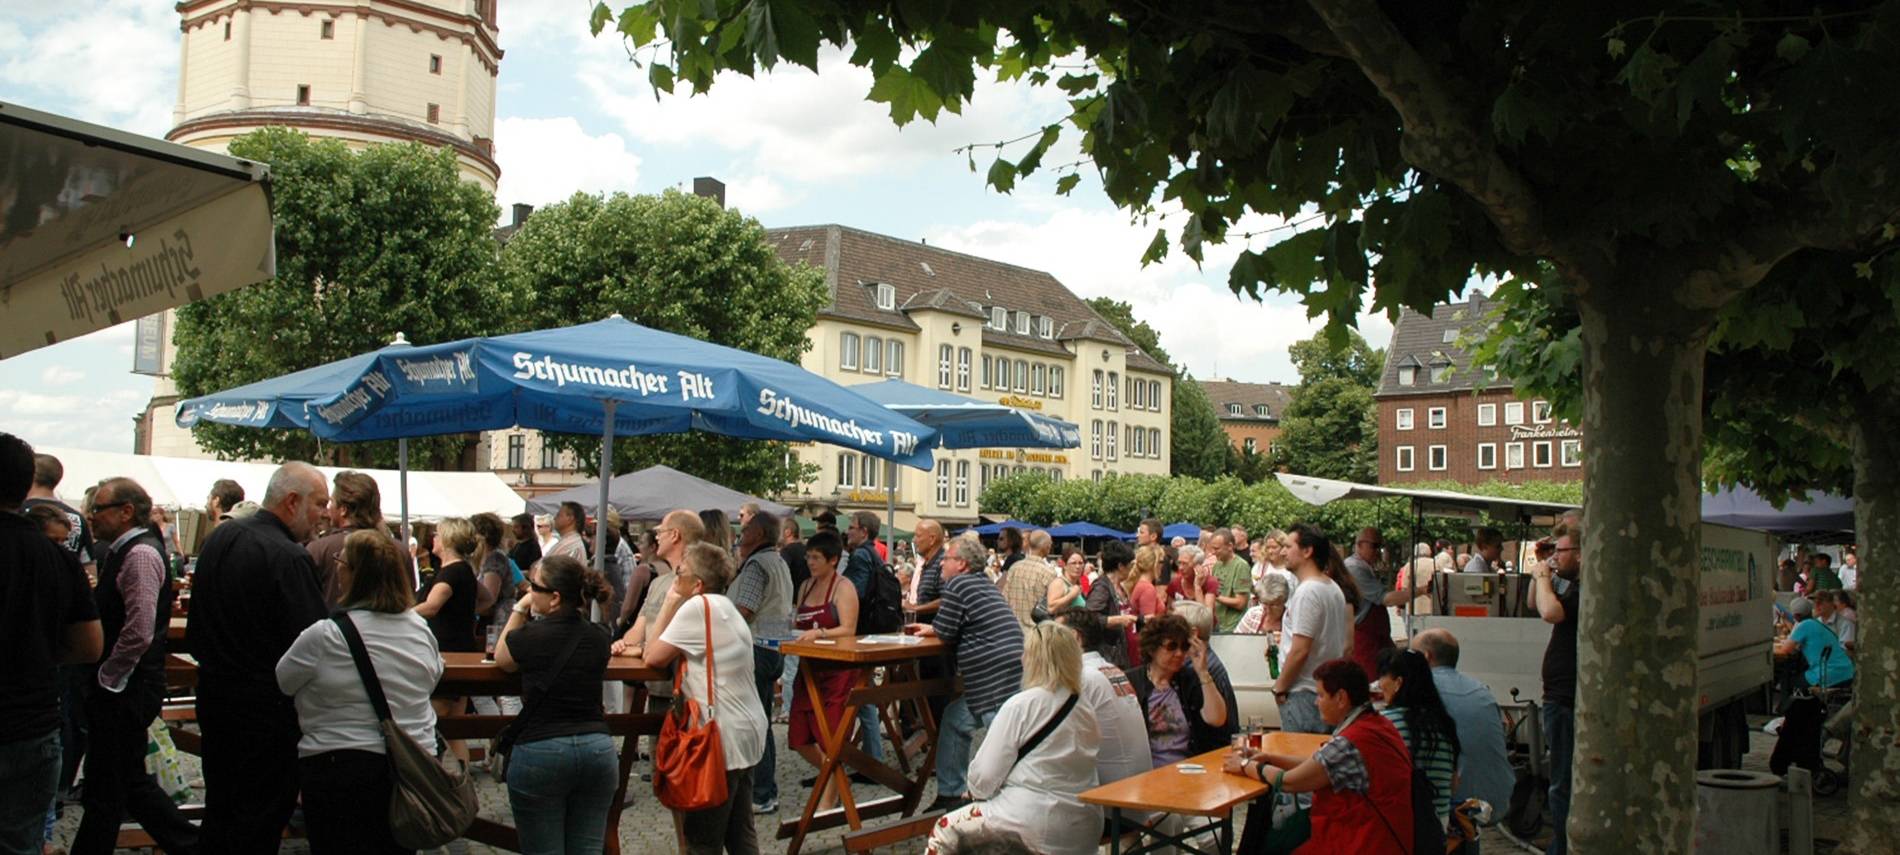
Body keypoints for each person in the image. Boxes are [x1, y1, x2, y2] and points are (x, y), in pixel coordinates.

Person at [188, 461, 331, 852]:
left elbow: (197, 627)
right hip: (266, 716)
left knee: (221, 813)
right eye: (320, 503)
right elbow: (314, 643)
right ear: (291, 502)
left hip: (217, 699)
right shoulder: (288, 556)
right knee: (258, 822)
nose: (326, 514)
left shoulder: (221, 537)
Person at [276, 530, 441, 854]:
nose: (337, 567)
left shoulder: (325, 636)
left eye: (342, 562)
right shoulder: (419, 629)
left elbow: (284, 680)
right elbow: (432, 677)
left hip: (339, 764)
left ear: (354, 574)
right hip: (409, 764)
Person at [71, 477, 200, 855]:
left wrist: (108, 676)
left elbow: (140, 629)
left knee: (116, 783)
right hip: (126, 685)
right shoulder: (125, 550)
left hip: (127, 687)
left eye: (98, 509)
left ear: (126, 511)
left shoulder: (140, 554)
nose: (91, 517)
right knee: (116, 783)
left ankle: (191, 844)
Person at [1, 435, 102, 855]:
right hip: (33, 724)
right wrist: (39, 650)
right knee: (23, 843)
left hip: (29, 723)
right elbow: (90, 646)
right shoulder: (56, 557)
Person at [925, 622, 1102, 855]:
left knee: (944, 829)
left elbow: (982, 779)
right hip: (1085, 825)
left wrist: (975, 790)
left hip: (1031, 820)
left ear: (1033, 659)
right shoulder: (1085, 706)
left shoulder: (1022, 705)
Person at [645, 543, 769, 854]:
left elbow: (653, 655)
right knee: (740, 834)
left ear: (697, 584)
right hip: (746, 731)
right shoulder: (727, 607)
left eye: (681, 574)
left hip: (719, 737)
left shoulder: (697, 608)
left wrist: (670, 602)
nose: (675, 578)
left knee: (702, 841)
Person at [495, 554, 617, 854]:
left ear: (555, 598)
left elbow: (501, 659)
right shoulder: (600, 636)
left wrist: (519, 608)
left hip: (541, 748)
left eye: (535, 587)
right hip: (597, 748)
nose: (529, 591)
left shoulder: (529, 636)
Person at [1227, 659, 1410, 855]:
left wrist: (1245, 765)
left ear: (1341, 698)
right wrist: (1270, 758)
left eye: (1321, 695)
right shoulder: (1378, 725)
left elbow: (1288, 782)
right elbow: (1318, 766)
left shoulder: (1348, 743)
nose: (1316, 702)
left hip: (1362, 842)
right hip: (1391, 837)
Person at [908, 536, 1026, 812]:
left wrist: (935, 629)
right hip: (1009, 662)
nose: (941, 566)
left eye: (946, 559)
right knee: (955, 719)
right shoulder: (982, 582)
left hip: (991, 671)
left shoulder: (959, 584)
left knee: (1003, 736)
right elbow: (956, 623)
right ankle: (950, 792)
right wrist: (936, 629)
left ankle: (1013, 799)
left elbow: (947, 630)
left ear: (960, 564)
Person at [25, 452, 99, 808]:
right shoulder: (77, 521)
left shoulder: (20, 513)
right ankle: (60, 787)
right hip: (62, 641)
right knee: (67, 713)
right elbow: (91, 572)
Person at [779, 529, 860, 812]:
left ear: (833, 560)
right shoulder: (805, 587)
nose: (811, 563)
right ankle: (836, 778)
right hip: (808, 669)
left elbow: (849, 629)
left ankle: (830, 795)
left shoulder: (844, 587)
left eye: (816, 558)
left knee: (832, 738)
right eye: (809, 557)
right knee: (799, 737)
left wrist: (820, 633)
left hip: (837, 672)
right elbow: (797, 620)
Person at [1056, 610, 1154, 813]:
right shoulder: (1110, 669)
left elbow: (1056, 742)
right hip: (1140, 789)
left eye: (1056, 634)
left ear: (1075, 637)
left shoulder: (1081, 677)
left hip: (1116, 802)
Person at [728, 511, 793, 816]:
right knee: (763, 720)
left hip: (754, 648)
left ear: (760, 534)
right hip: (774, 648)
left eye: (747, 529)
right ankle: (767, 791)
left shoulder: (756, 565)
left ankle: (761, 793)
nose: (741, 533)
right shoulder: (778, 561)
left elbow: (745, 609)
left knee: (756, 724)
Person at [1412, 628, 1513, 816]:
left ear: (1426, 656)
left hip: (1454, 800)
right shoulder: (1482, 691)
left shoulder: (1422, 690)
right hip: (1496, 796)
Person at [1529, 516, 1581, 855]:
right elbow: (1536, 603)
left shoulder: (1583, 587)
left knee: (1562, 782)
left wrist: (1544, 577)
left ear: (1579, 552)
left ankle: (1561, 848)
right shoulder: (1568, 582)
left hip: (1565, 698)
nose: (1555, 557)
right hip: (1560, 695)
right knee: (1562, 780)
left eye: (1560, 551)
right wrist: (1541, 570)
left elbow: (1550, 612)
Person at [1269, 524, 1353, 734]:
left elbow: (1301, 650)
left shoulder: (1308, 592)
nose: (1282, 552)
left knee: (1300, 758)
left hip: (1304, 693)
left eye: (1288, 546)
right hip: (1322, 690)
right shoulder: (1331, 587)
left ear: (1307, 551)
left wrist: (1280, 686)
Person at [1127, 613, 1228, 767]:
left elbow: (1217, 719)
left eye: (1184, 646)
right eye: (1171, 646)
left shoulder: (1190, 680)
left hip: (1189, 770)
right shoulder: (1132, 681)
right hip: (1147, 773)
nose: (1179, 653)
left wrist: (1203, 672)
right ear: (1152, 648)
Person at [1375, 647, 1461, 827]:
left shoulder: (1385, 724)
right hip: (1438, 829)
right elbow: (1453, 786)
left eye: (1383, 676)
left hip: (1400, 830)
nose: (1379, 684)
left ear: (1398, 683)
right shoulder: (1444, 724)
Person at [1771, 595, 1856, 776]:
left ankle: (1784, 717)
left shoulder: (1804, 626)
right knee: (1802, 698)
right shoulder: (1817, 625)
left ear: (1795, 615)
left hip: (1827, 675)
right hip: (1843, 672)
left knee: (1797, 691)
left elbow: (1785, 650)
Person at [840, 510, 889, 763]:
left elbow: (853, 594)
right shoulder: (874, 553)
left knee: (859, 694)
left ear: (864, 531)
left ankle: (870, 758)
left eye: (851, 527)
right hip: (871, 630)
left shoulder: (860, 555)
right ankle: (873, 755)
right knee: (865, 694)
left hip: (858, 632)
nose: (847, 531)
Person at [306, 471, 384, 608]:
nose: (327, 510)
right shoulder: (397, 550)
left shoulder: (318, 549)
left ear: (343, 510)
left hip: (334, 626)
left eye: (332, 503)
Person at [1344, 527, 1396, 676]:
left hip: (1375, 638)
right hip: (1363, 638)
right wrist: (1418, 591)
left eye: (1380, 546)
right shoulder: (1354, 568)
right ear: (1359, 545)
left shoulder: (1365, 567)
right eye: (1374, 546)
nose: (1378, 551)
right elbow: (1385, 598)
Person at [1084, 540, 1141, 669]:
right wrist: (1118, 619)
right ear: (1121, 566)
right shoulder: (1101, 587)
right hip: (1109, 657)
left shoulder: (1120, 587)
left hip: (1123, 654)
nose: (1132, 570)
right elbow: (1088, 619)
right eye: (1130, 565)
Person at [999, 529, 1059, 629]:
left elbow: (1004, 598)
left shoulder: (1014, 568)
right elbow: (1051, 606)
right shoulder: (1049, 573)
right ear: (1046, 547)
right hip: (1035, 632)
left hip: (1013, 629)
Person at [1205, 530, 1252, 632]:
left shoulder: (1241, 566)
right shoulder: (1217, 565)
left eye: (1216, 548)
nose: (1213, 552)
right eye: (1212, 548)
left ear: (1230, 546)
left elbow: (1241, 603)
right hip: (1218, 625)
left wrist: (1215, 596)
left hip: (1233, 627)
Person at [1166, 544, 1217, 611]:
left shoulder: (1210, 582)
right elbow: (1169, 609)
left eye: (1185, 564)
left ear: (1197, 566)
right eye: (1179, 563)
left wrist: (1197, 587)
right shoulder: (1175, 582)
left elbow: (1207, 615)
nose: (1180, 568)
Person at [1045, 546, 1089, 617]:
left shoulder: (1076, 584)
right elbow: (1051, 608)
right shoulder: (1059, 583)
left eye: (1080, 563)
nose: (1077, 566)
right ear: (1065, 565)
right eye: (1073, 563)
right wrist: (1071, 595)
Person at [1128, 544, 1167, 621]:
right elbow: (1148, 623)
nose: (1163, 566)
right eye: (1161, 561)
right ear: (1155, 563)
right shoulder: (1147, 588)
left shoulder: (1138, 582)